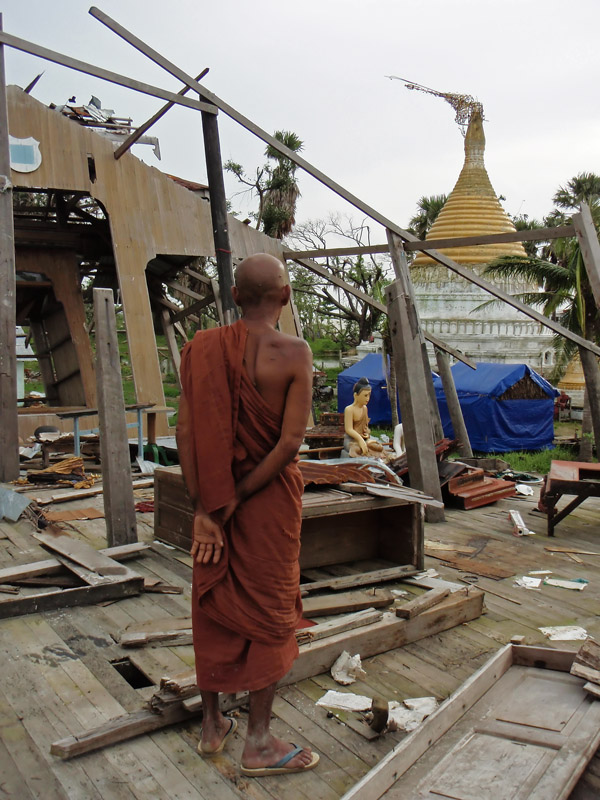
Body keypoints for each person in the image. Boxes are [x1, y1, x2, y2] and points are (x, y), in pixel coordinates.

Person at [176, 253, 319, 777]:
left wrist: (207, 508)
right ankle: (258, 741)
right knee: (271, 611)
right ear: (285, 297)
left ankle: (213, 727)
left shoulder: (201, 349)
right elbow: (289, 444)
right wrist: (236, 497)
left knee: (210, 600)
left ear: (235, 297)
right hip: (266, 503)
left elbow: (187, 434)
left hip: (210, 502)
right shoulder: (295, 352)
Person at [343, 377, 384, 458]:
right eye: (365, 395)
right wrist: (360, 440)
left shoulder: (365, 408)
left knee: (378, 447)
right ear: (356, 395)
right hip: (352, 440)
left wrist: (367, 432)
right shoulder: (349, 409)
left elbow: (365, 426)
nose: (368, 398)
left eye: (369, 395)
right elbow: (349, 429)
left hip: (364, 438)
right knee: (357, 449)